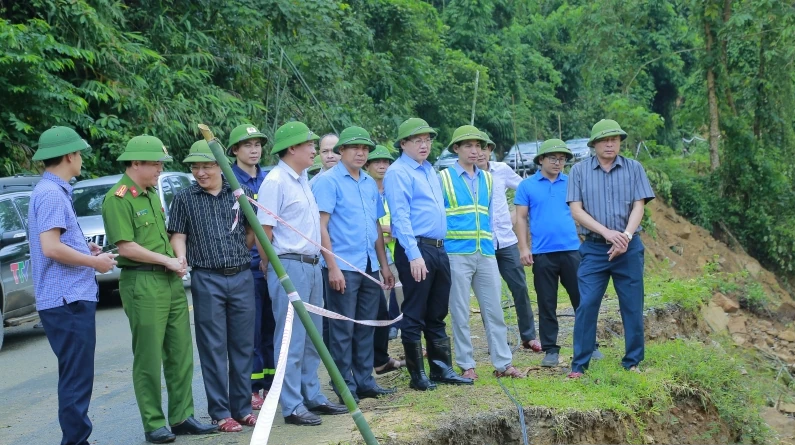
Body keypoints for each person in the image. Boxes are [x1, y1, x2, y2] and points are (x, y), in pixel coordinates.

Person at [102, 135, 217, 443]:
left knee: (180, 352)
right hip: (142, 281)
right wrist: (166, 260)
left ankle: (181, 416)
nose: (159, 170)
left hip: (169, 280)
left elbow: (163, 237)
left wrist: (176, 259)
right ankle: (154, 423)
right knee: (149, 357)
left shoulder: (151, 194)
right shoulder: (118, 198)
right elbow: (126, 247)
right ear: (135, 163)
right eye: (155, 164)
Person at [28, 126, 118, 445]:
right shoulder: (52, 194)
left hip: (66, 298)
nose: (81, 159)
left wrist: (85, 249)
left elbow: (57, 243)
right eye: (79, 153)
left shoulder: (52, 190)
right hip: (67, 300)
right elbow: (51, 248)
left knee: (76, 376)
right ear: (69, 156)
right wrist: (95, 263)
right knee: (76, 379)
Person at [256, 121, 347, 426]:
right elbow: (264, 232)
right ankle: (292, 405)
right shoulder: (276, 181)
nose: (314, 150)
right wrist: (273, 268)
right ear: (292, 148)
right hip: (289, 264)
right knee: (291, 339)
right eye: (309, 145)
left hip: (311, 264)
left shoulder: (303, 178)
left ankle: (312, 395)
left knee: (312, 336)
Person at [168, 141, 257, 432]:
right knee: (213, 347)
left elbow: (250, 232)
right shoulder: (184, 198)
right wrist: (181, 257)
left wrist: (236, 257)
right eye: (195, 167)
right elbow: (178, 234)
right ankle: (221, 413)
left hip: (241, 276)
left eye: (206, 166)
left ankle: (242, 409)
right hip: (206, 278)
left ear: (220, 166)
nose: (200, 173)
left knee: (243, 345)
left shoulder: (240, 194)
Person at [385, 117, 473, 391]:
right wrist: (413, 255)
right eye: (417, 140)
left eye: (427, 140)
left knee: (437, 309)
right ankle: (417, 375)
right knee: (414, 311)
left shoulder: (429, 170)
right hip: (417, 247)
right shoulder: (399, 172)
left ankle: (441, 367)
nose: (424, 145)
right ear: (403, 144)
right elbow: (400, 217)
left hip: (438, 247)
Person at [566, 120, 655, 378]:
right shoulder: (579, 171)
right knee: (587, 304)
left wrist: (624, 237)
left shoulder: (634, 168)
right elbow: (576, 211)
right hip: (594, 249)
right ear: (594, 144)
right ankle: (579, 365)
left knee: (632, 304)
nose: (609, 144)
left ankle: (632, 361)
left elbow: (639, 206)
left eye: (614, 139)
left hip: (629, 248)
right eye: (604, 140)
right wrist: (607, 233)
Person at [313, 127, 396, 402]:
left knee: (366, 326)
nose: (361, 153)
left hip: (369, 265)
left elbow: (376, 226)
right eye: (354, 148)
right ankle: (344, 385)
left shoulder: (369, 183)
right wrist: (333, 267)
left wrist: (384, 266)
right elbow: (321, 227)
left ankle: (365, 381)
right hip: (343, 267)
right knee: (342, 329)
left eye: (365, 149)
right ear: (342, 151)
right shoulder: (328, 182)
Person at [440, 126, 523, 379]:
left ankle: (503, 363)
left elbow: (490, 217)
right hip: (456, 253)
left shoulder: (488, 179)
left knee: (494, 309)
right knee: (460, 311)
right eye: (468, 146)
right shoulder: (443, 178)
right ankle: (467, 365)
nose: (475, 150)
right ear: (456, 149)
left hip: (485, 252)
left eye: (479, 146)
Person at [515, 139, 603, 367]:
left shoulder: (572, 182)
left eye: (562, 159)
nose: (557, 163)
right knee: (547, 302)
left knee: (581, 299)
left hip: (572, 250)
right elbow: (521, 218)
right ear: (541, 160)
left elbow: (584, 211)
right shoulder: (527, 186)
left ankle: (589, 345)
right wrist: (524, 248)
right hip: (543, 253)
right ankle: (550, 349)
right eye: (553, 158)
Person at [475, 133, 542, 352]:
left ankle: (529, 336)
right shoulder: (466, 175)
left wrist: (514, 216)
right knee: (488, 293)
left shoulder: (501, 170)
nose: (480, 153)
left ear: (490, 150)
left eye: (485, 148)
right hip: (481, 243)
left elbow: (525, 190)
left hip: (506, 241)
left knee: (520, 287)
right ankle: (496, 340)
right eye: (477, 148)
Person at [226, 124, 274, 410]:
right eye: (247, 145)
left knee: (272, 327)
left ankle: (271, 383)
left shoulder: (269, 179)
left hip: (274, 264)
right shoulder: (227, 181)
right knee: (250, 332)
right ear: (235, 150)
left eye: (257, 145)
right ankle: (252, 388)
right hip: (247, 266)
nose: (254, 150)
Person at [365, 145, 405, 374]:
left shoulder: (394, 189)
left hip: (397, 256)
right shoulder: (365, 189)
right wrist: (387, 231)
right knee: (378, 311)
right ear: (368, 165)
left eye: (386, 162)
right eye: (377, 162)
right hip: (375, 259)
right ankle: (379, 358)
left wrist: (389, 230)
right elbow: (373, 229)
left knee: (405, 305)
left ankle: (410, 351)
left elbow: (400, 223)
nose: (382, 166)